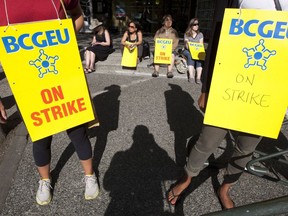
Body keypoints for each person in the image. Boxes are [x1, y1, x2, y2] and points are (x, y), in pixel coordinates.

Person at [167, 0, 288, 209]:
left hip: (270, 87)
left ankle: (225, 188)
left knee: (246, 147)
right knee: (208, 139)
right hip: (231, 81)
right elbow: (216, 39)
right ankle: (186, 178)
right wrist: (205, 87)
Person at [0, 0, 99, 205]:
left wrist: (62, 39)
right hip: (28, 83)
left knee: (77, 130)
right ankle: (45, 180)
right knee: (41, 135)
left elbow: (78, 16)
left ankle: (90, 176)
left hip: (63, 74)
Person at [152, 14, 179, 78]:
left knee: (172, 55)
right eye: (167, 20)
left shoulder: (174, 31)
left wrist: (171, 49)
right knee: (157, 53)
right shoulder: (159, 31)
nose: (169, 22)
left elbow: (176, 42)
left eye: (170, 20)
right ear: (163, 22)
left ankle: (169, 72)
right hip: (161, 49)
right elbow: (155, 40)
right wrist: (158, 48)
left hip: (170, 50)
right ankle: (156, 71)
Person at [182, 18, 204, 84]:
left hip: (197, 51)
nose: (197, 26)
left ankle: (198, 78)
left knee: (199, 58)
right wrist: (186, 42)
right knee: (190, 55)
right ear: (191, 25)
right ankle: (191, 76)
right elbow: (187, 47)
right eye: (195, 24)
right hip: (187, 50)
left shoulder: (200, 34)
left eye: (198, 24)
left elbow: (201, 45)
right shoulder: (186, 34)